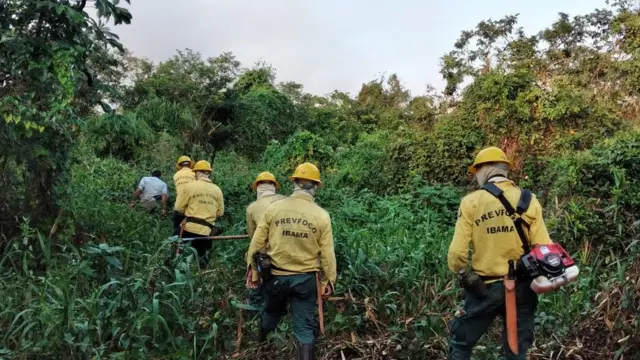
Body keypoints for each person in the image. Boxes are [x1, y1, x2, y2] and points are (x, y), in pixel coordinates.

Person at [447, 146, 553, 360]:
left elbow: (457, 252)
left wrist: (460, 272)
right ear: (504, 169)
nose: (476, 176)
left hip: (483, 289)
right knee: (516, 351)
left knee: (460, 343)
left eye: (476, 171)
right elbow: (543, 247)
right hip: (522, 288)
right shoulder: (528, 199)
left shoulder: (471, 202)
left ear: (484, 169)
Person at [245, 162, 336, 360]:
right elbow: (328, 255)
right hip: (306, 280)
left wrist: (254, 272)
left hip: (275, 277)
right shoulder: (321, 215)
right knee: (304, 328)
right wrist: (328, 281)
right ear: (316, 187)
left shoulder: (274, 209)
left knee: (271, 313)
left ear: (294, 182)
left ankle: (260, 346)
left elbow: (255, 245)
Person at [245, 171, 286, 312]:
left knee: (254, 266)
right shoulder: (287, 201)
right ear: (275, 186)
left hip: (265, 255)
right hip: (288, 249)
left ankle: (256, 306)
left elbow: (253, 238)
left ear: (257, 188)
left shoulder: (252, 208)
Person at [174, 160, 224, 266]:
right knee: (203, 261)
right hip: (206, 231)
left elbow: (178, 208)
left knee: (176, 246)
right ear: (209, 173)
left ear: (196, 172)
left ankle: (175, 264)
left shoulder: (190, 186)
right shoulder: (217, 190)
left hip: (188, 229)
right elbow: (220, 212)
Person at [172, 155, 195, 235]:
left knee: (177, 228)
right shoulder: (194, 173)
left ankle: (175, 244)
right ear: (190, 164)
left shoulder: (176, 175)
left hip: (179, 204)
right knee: (191, 229)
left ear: (180, 165)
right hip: (192, 205)